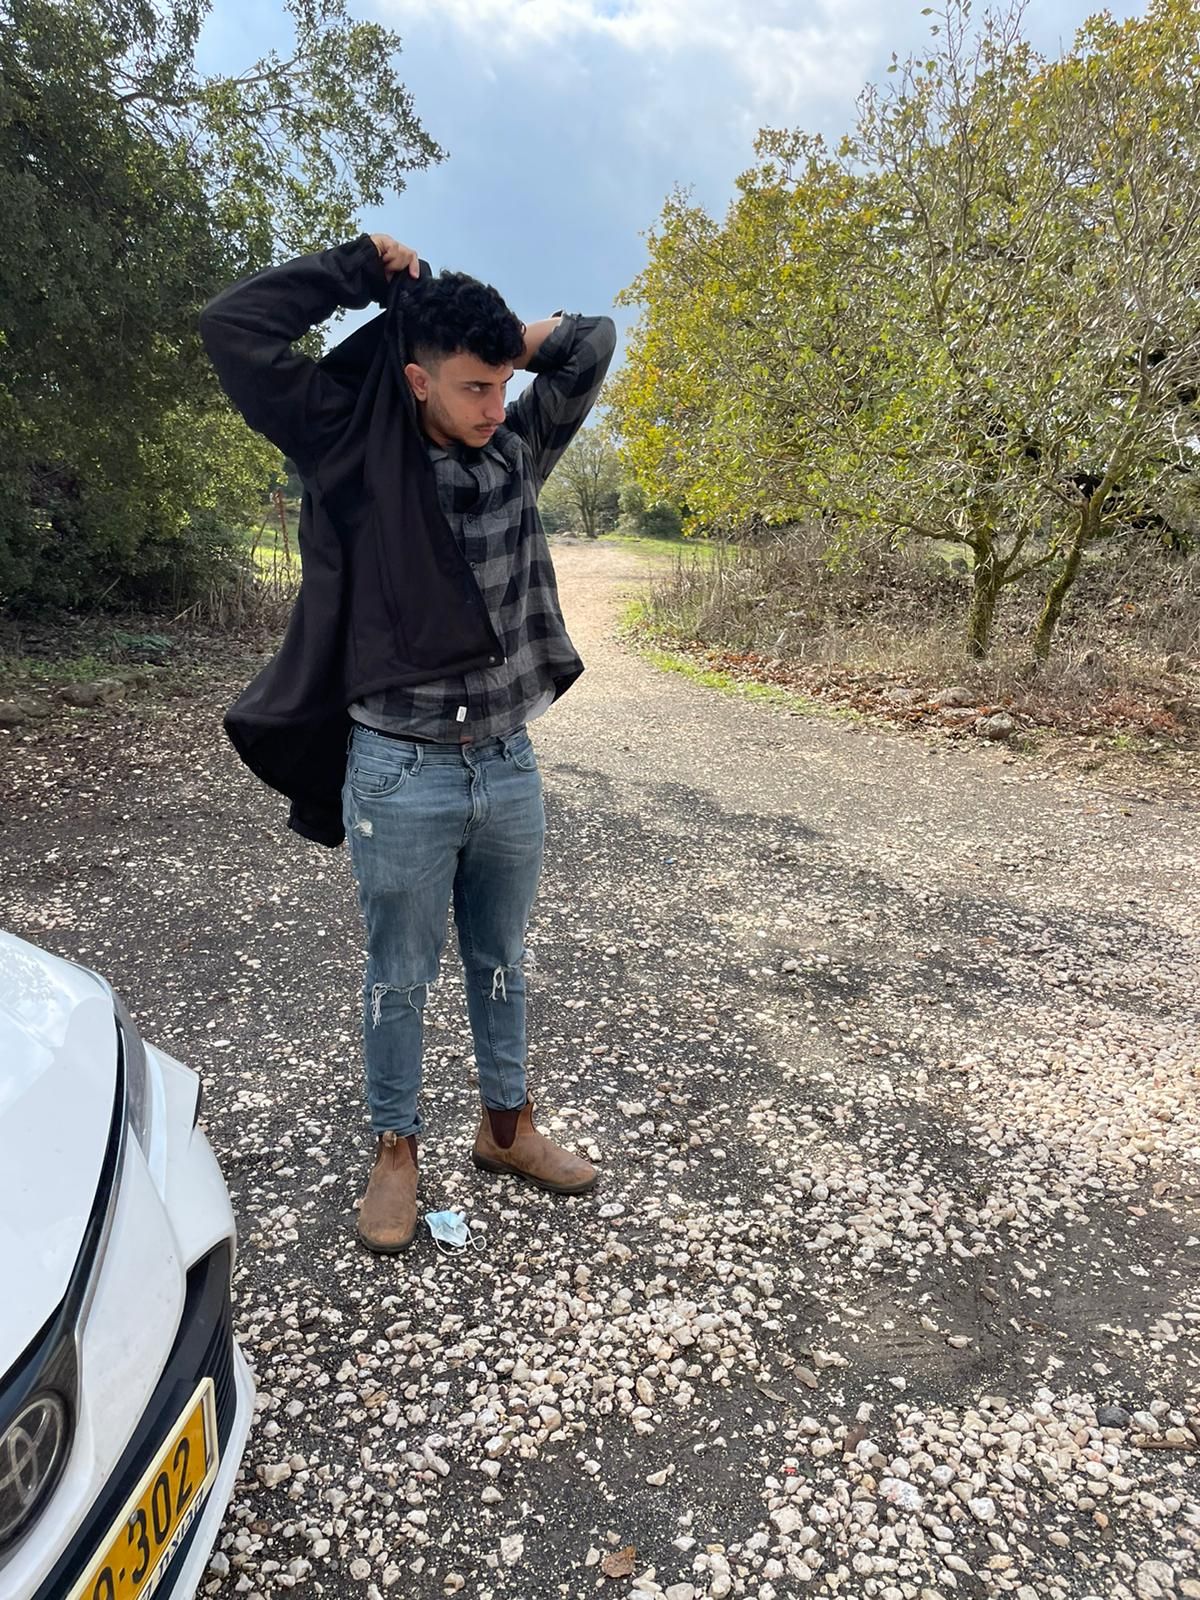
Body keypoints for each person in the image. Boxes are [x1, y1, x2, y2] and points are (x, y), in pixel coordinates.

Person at [200, 232, 615, 1252]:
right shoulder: (348, 452)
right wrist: (355, 273)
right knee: (399, 971)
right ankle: (396, 1151)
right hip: (399, 766)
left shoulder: (515, 448)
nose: (495, 406)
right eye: (473, 387)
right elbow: (234, 329)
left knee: (502, 958)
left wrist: (497, 337)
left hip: (507, 761)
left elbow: (593, 342)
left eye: (503, 385)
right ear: (416, 378)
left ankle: (507, 1129)